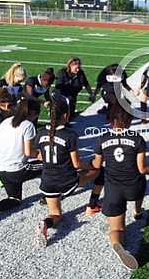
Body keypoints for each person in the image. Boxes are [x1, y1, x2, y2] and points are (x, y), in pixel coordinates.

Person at [92, 103, 149, 270]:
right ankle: (137, 211)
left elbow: (96, 165)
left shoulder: (102, 138)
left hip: (113, 189)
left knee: (117, 228)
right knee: (141, 181)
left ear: (111, 120)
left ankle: (118, 244)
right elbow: (142, 169)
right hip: (134, 187)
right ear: (129, 120)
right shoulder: (137, 139)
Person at [34, 95, 104, 247]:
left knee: (56, 215)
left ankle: (45, 223)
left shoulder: (40, 133)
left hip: (47, 182)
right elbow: (77, 163)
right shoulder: (69, 134)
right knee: (99, 171)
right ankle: (92, 205)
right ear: (65, 115)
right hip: (65, 181)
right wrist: (93, 164)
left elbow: (39, 155)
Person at [0, 96, 44, 227]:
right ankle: (48, 196)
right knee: (47, 165)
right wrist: (42, 155)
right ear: (33, 113)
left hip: (3, 170)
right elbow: (29, 153)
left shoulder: (5, 122)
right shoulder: (28, 126)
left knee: (15, 200)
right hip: (17, 170)